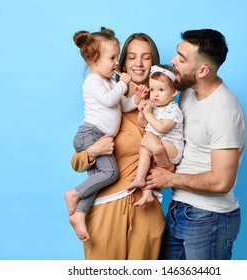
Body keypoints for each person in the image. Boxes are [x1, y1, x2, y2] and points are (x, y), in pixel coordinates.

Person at [145, 29, 247, 260]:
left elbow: (222, 181)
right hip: (180, 209)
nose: (173, 61)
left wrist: (169, 179)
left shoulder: (224, 112)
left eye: (182, 59)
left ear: (203, 70)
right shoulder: (188, 92)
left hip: (209, 219)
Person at [70, 33, 174, 259]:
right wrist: (93, 152)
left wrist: (159, 153)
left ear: (153, 64)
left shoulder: (168, 113)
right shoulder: (110, 106)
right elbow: (76, 163)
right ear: (123, 62)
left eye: (146, 58)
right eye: (132, 57)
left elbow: (172, 171)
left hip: (147, 211)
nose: (138, 63)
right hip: (106, 209)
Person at [64, 27, 136, 242]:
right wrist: (124, 83)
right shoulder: (93, 81)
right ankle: (74, 193)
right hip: (91, 134)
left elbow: (123, 104)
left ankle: (79, 214)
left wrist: (138, 100)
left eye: (117, 56)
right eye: (112, 57)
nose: (117, 62)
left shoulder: (111, 82)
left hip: (99, 136)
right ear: (94, 60)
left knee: (96, 181)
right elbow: (109, 100)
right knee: (111, 174)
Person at [127, 65, 184, 207]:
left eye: (161, 90)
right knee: (145, 151)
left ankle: (144, 185)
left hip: (172, 148)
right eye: (152, 90)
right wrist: (142, 112)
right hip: (156, 144)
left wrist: (148, 114)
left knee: (151, 143)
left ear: (174, 92)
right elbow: (142, 123)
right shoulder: (153, 106)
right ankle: (144, 188)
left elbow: (162, 128)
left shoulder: (173, 110)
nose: (155, 94)